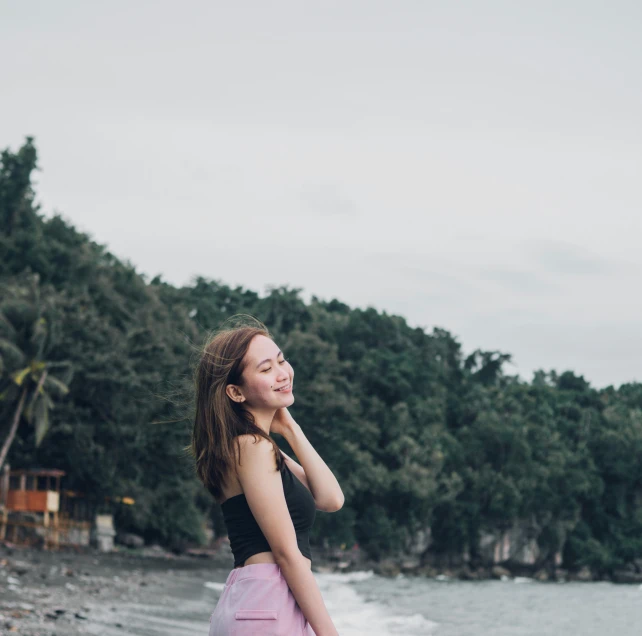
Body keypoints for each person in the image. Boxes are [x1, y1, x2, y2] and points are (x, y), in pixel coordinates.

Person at [190, 320, 344, 635]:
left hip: (259, 603)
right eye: (265, 369)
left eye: (281, 360)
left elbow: (330, 499)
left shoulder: (256, 445)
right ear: (235, 391)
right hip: (266, 603)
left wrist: (290, 428)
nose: (282, 373)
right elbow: (287, 553)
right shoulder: (252, 447)